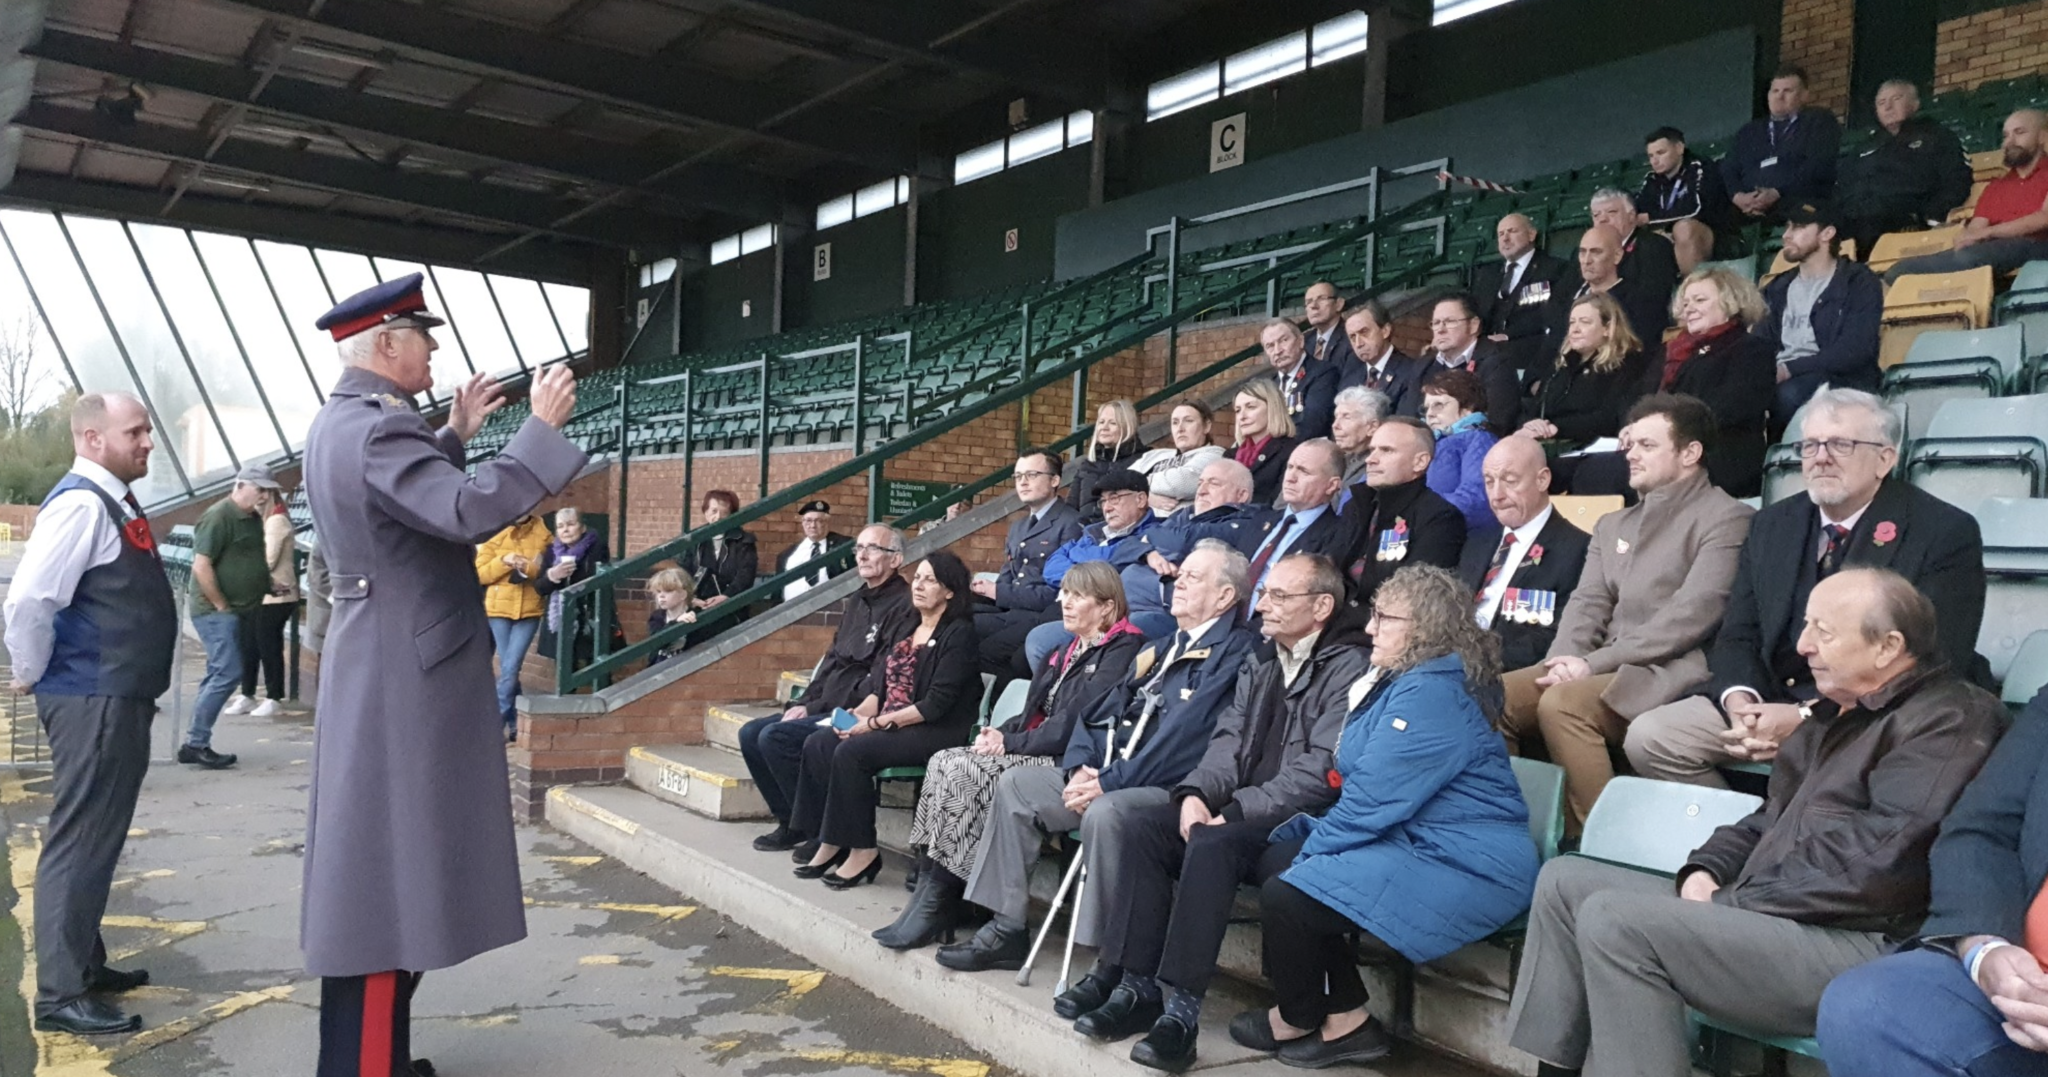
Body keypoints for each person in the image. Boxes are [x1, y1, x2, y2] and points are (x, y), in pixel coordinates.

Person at [1507, 569, 2005, 1077]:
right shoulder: (1835, 715)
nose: (1804, 645)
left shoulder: (1951, 718)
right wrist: (1706, 869)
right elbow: (1766, 818)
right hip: (1774, 914)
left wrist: (1731, 901)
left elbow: (1879, 861)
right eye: (1806, 626)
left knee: (1618, 922)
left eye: (1823, 631)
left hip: (1862, 942)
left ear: (1888, 647)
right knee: (1567, 881)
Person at [300, 273, 586, 1075]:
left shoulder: (348, 422)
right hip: (403, 672)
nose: (432, 348)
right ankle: (366, 1066)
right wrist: (540, 431)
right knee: (392, 882)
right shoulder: (380, 429)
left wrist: (455, 430)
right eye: (422, 336)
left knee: (381, 875)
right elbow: (461, 511)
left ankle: (372, 1056)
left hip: (377, 656)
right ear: (386, 345)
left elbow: (405, 503)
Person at [1062, 553, 1366, 1070]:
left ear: (1320, 607)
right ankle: (1137, 988)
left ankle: (1181, 1014)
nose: (1263, 603)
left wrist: (1238, 808)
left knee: (1211, 843)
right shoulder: (1264, 657)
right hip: (1239, 811)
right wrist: (1197, 794)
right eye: (1265, 592)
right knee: (1140, 828)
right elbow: (1226, 741)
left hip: (1301, 823)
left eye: (1278, 596)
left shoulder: (1348, 666)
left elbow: (1321, 769)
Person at [1236, 565, 1539, 1069]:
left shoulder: (1432, 692)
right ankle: (1343, 1014)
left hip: (1469, 862)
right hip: (1417, 840)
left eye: (1383, 617)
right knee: (1280, 863)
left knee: (1291, 887)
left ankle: (1308, 1014)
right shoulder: (1404, 679)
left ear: (1423, 629)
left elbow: (1373, 800)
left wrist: (1312, 847)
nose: (1369, 627)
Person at [1626, 388, 1987, 787]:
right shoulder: (1772, 523)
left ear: (1885, 459)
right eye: (1810, 445)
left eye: (1841, 444)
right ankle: (1743, 841)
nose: (1821, 457)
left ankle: (1789, 839)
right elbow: (1738, 633)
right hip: (1769, 697)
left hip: (1877, 711)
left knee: (1837, 761)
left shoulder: (1943, 530)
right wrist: (1741, 702)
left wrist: (1807, 717)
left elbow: (1934, 657)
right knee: (1652, 738)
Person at [934, 541, 1257, 973]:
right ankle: (1006, 927)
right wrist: (1081, 767)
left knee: (1105, 812)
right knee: (1016, 785)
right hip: (1107, 773)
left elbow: (1182, 742)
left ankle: (1106, 956)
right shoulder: (1161, 648)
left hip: (1162, 785)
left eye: (1193, 578)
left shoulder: (1234, 656)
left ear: (1224, 596)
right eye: (1180, 575)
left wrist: (1107, 781)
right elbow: (1095, 713)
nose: (1178, 583)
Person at [1498, 394, 1754, 831]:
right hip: (1600, 666)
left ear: (1690, 453)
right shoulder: (1613, 524)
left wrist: (1588, 664)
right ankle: (1511, 827)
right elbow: (1587, 604)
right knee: (1491, 695)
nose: (1631, 454)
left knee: (1563, 703)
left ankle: (1599, 836)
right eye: (1629, 444)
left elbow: (1691, 616)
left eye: (1647, 446)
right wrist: (1559, 661)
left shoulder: (1728, 517)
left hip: (1670, 670)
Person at [3, 392, 174, 1035]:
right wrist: (28, 672)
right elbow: (28, 602)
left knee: (96, 837)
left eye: (148, 429)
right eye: (136, 431)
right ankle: (60, 994)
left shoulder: (106, 499)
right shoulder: (81, 504)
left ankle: (82, 962)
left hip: (109, 693)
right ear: (93, 439)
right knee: (80, 841)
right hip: (93, 695)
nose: (148, 441)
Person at [873, 561, 1144, 951]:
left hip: (1068, 761)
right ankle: (932, 883)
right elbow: (1036, 709)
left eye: (1078, 596)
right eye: (1064, 593)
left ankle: (939, 899)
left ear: (1106, 607)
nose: (1065, 603)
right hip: (1036, 748)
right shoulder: (1067, 648)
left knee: (966, 769)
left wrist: (1010, 745)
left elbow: (1073, 724)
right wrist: (1000, 733)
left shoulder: (1121, 651)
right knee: (946, 760)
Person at [1816, 685, 2048, 1077]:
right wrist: (1983, 945)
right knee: (1868, 1008)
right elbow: (1980, 828)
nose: (1806, 646)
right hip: (2020, 980)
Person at [790, 551, 983, 890]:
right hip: (892, 719)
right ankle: (832, 839)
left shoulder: (959, 634)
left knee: (854, 752)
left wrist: (876, 725)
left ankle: (864, 851)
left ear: (950, 591)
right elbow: (882, 684)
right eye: (918, 578)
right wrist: (863, 713)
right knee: (820, 742)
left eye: (930, 580)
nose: (919, 586)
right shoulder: (908, 626)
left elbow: (934, 705)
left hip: (935, 728)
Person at [744, 524, 916, 853]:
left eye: (873, 548)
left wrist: (823, 707)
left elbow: (882, 676)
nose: (862, 555)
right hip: (827, 702)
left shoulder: (905, 606)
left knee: (777, 738)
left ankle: (823, 832)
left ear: (896, 559)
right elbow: (833, 660)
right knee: (751, 734)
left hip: (859, 712)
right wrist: (808, 702)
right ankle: (792, 823)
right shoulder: (857, 600)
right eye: (859, 548)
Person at [1459, 436, 1593, 671]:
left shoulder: (1579, 550)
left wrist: (1473, 661)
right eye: (1489, 482)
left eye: (1510, 481)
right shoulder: (1477, 541)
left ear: (1542, 480)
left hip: (1503, 673)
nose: (1497, 495)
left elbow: (1553, 636)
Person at [1757, 200, 1885, 435]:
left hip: (1844, 381)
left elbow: (1855, 351)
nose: (1786, 235)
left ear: (1827, 233)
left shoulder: (1857, 281)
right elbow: (1760, 341)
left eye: (1797, 227)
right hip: (1784, 377)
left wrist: (1789, 369)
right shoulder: (1778, 287)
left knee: (1786, 396)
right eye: (1787, 227)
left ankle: (1780, 465)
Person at [1014, 469, 1158, 673]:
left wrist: (1080, 558)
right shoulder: (1094, 532)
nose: (1107, 507)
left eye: (1115, 498)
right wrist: (1088, 571)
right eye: (1104, 501)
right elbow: (1052, 566)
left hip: (1099, 614)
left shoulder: (1153, 534)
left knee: (1023, 652)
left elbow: (1112, 563)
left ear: (1141, 499)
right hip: (1064, 606)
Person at [184, 464, 280, 768]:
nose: (265, 495)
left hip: (238, 609)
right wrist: (221, 605)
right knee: (227, 671)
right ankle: (195, 742)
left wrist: (268, 583)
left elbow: (246, 559)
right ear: (241, 485)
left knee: (219, 672)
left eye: (267, 490)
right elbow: (201, 566)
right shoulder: (219, 516)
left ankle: (195, 740)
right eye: (260, 489)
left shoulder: (251, 518)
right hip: (217, 611)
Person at [1885, 109, 2048, 282]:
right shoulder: (1996, 186)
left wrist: (1987, 233)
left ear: (2042, 137)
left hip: (2038, 244)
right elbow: (1977, 227)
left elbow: (2043, 218)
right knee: (1899, 270)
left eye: (2020, 132)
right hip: (1993, 249)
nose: (2009, 142)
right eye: (2006, 135)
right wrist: (1968, 238)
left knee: (1970, 258)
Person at [1116, 459, 1272, 639]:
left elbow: (1183, 541)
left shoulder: (1247, 522)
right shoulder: (1185, 515)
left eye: (1214, 483)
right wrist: (1148, 554)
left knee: (1127, 628)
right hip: (1135, 602)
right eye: (1200, 483)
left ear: (1242, 495)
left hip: (1177, 613)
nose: (1202, 490)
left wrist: (1151, 537)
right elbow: (1124, 547)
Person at [1657, 266, 1778, 497]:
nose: (1688, 308)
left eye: (1699, 300)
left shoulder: (1752, 349)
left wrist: (1671, 427)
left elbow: (1733, 406)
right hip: (1676, 448)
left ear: (1730, 303)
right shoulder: (1676, 351)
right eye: (1686, 302)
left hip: (1722, 457)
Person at [971, 450, 1083, 674]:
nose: (1022, 482)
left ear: (1054, 480)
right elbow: (1008, 576)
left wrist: (999, 592)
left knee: (979, 645)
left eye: (1031, 475)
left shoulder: (1071, 523)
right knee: (949, 617)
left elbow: (1059, 592)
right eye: (1018, 476)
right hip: (1008, 609)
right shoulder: (1018, 527)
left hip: (1038, 614)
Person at [1835, 79, 1974, 260]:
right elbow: (1842, 187)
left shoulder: (1937, 137)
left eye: (1896, 99)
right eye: (1881, 103)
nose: (1888, 107)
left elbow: (1957, 179)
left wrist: (1930, 216)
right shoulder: (1864, 148)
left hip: (1904, 220)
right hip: (1855, 223)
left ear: (1915, 104)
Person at [1335, 417, 1467, 606]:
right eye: (1372, 450)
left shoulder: (1440, 518)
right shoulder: (1356, 507)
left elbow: (1415, 597)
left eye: (1387, 450)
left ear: (1420, 462)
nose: (1371, 460)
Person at [1521, 292, 1649, 455]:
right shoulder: (1562, 364)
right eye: (1572, 322)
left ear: (1607, 328)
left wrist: (1556, 428)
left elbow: (1609, 418)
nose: (1575, 329)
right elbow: (1537, 406)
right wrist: (1531, 425)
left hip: (1593, 452)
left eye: (1585, 322)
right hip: (1549, 446)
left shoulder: (1627, 363)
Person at [1240, 439, 1354, 611]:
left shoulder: (1337, 537)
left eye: (1304, 471)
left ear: (1332, 485)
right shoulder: (1260, 520)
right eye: (1290, 467)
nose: (1290, 478)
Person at [1723, 65, 1843, 222]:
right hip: (1746, 207)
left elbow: (1819, 164)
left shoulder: (1819, 121)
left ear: (1805, 95)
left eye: (1787, 91)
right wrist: (1738, 196)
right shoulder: (1749, 131)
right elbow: (1728, 169)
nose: (1779, 96)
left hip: (1797, 200)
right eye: (1775, 91)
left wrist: (1777, 192)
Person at [476, 512, 550, 740]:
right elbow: (479, 573)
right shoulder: (495, 532)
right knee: (510, 670)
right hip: (498, 610)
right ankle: (514, 724)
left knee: (510, 668)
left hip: (529, 610)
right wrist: (504, 561)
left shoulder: (544, 535)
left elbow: (546, 573)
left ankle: (494, 725)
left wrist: (526, 566)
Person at [1543, 225, 1671, 352]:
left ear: (1617, 256)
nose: (1586, 260)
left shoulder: (1641, 303)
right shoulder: (1567, 300)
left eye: (1596, 252)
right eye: (1582, 252)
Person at [1471, 213, 1572, 373]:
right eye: (1501, 234)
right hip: (1488, 356)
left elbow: (1553, 317)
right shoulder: (1487, 276)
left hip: (1530, 354)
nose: (1505, 238)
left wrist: (1508, 335)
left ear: (1531, 235)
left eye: (1512, 231)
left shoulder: (1555, 269)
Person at [1637, 126, 1734, 274]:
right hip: (1671, 238)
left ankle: (1691, 288)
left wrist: (1654, 219)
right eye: (1650, 156)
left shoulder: (1701, 168)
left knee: (1683, 229)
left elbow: (1696, 209)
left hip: (1716, 237)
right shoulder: (1652, 180)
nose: (1655, 161)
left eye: (1661, 153)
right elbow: (1640, 212)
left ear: (1679, 148)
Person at [235, 487, 297, 718]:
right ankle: (247, 694)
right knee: (249, 644)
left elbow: (267, 560)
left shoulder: (277, 521)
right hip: (259, 594)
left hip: (277, 596)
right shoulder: (262, 521)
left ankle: (274, 696)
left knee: (268, 646)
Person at [1420, 294, 1521, 435]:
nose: (1441, 329)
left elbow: (1497, 423)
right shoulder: (1424, 366)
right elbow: (1409, 418)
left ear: (1473, 325)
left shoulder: (1497, 363)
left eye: (1450, 321)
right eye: (1436, 323)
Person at [531, 507, 615, 669]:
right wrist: (553, 576)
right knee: (565, 665)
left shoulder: (596, 546)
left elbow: (599, 578)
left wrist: (572, 571)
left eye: (570, 524)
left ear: (582, 527)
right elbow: (540, 588)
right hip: (561, 615)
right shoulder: (551, 552)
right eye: (561, 526)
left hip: (589, 613)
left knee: (595, 663)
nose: (566, 530)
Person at [1421, 369, 1499, 532]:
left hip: (1450, 534)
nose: (1429, 414)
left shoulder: (1479, 440)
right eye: (1426, 408)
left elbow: (1475, 500)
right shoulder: (1423, 441)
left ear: (1468, 408)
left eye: (1438, 405)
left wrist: (1418, 511)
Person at [677, 489, 758, 643]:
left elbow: (746, 574)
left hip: (730, 610)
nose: (718, 517)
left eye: (724, 512)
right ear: (706, 512)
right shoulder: (694, 540)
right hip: (696, 609)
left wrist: (726, 596)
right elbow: (682, 572)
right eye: (713, 511)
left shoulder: (744, 541)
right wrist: (690, 598)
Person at [1589, 188, 1681, 306]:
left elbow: (1653, 300)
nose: (1602, 219)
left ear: (1631, 216)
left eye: (1611, 212)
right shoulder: (1584, 254)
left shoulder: (1653, 246)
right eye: (1596, 215)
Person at [1129, 400, 1224, 515]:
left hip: (1175, 527)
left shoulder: (1214, 455)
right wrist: (1148, 498)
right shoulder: (1154, 455)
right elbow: (1117, 484)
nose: (1180, 428)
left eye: (1188, 421)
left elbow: (1179, 483)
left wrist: (1136, 492)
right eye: (1175, 422)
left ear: (1206, 426)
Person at [1336, 300, 1429, 414]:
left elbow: (1403, 422)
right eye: (1352, 337)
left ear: (1385, 331)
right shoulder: (1350, 373)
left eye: (1364, 332)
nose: (1358, 343)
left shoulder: (1411, 372)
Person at [1259, 318, 1340, 441]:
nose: (1277, 351)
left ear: (1301, 341)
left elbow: (1313, 427)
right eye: (1270, 346)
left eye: (1283, 340)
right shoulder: (1269, 385)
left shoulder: (1323, 373)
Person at [1069, 400, 1149, 523]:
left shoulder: (1145, 459)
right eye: (1101, 422)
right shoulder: (1086, 465)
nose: (1104, 427)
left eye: (1112, 423)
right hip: (1085, 536)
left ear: (1128, 426)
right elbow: (1070, 508)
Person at [1229, 380, 1299, 506]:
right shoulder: (1229, 455)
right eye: (1237, 410)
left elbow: (1278, 506)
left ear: (1273, 408)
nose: (1242, 416)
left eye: (1251, 407)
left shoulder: (1292, 452)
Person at [773, 499, 848, 604]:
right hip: (791, 613)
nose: (813, 525)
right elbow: (777, 592)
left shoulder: (843, 546)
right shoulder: (787, 555)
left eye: (819, 521)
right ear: (802, 523)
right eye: (808, 520)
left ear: (827, 523)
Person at [1330, 385, 1391, 489]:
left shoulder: (1377, 466)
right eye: (1336, 417)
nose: (1335, 425)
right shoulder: (1338, 459)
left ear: (1372, 427)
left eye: (1346, 417)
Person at [643, 568, 698, 667]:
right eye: (658, 592)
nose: (661, 596)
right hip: (658, 665)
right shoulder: (657, 616)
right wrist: (676, 623)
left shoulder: (696, 615)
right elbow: (657, 641)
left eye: (668, 591)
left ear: (683, 595)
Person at [1301, 281, 1356, 369]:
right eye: (1309, 302)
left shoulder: (1352, 336)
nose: (1314, 306)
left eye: (1322, 298)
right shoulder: (1303, 341)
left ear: (1339, 304)